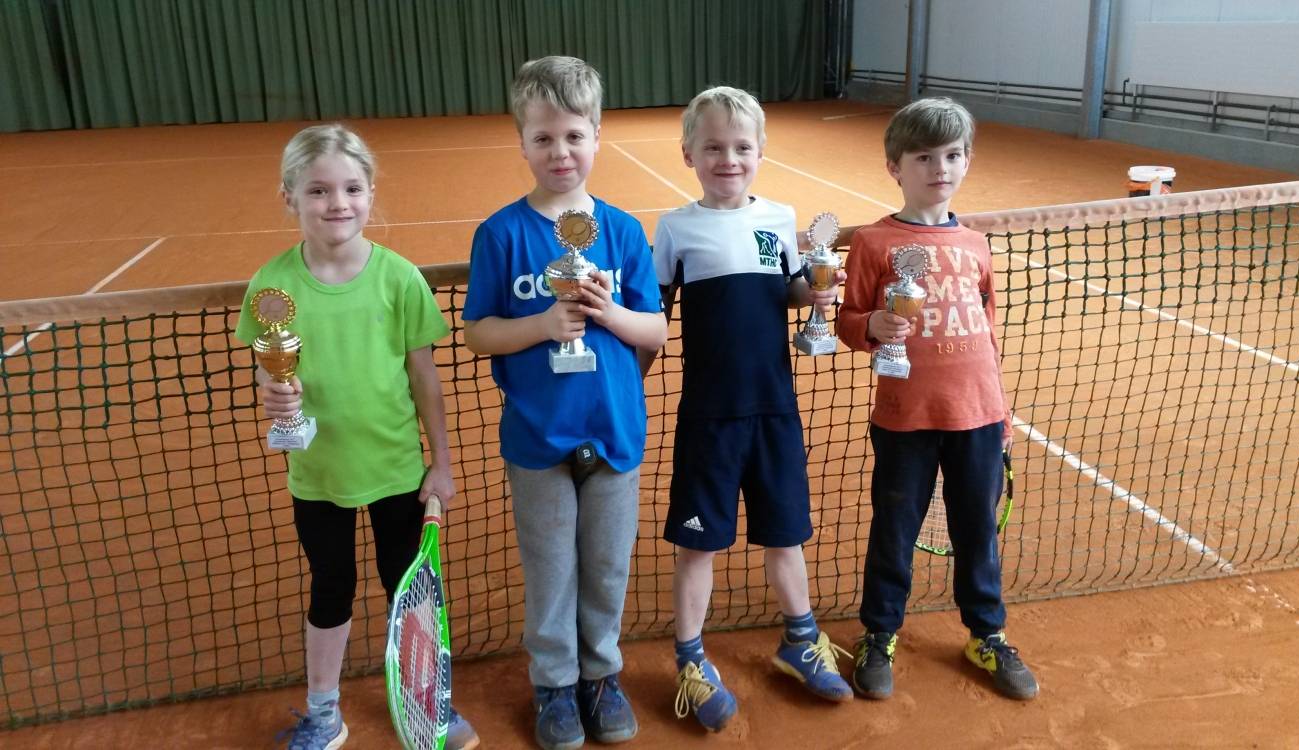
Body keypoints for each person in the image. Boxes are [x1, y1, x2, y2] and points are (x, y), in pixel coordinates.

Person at [235, 124, 480, 749]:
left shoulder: (399, 279)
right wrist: (276, 397)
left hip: (398, 470)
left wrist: (441, 463)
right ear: (289, 196)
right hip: (318, 475)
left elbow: (425, 379)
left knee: (410, 589)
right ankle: (323, 711)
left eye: (351, 188)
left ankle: (430, 700)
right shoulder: (272, 287)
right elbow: (273, 374)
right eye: (317, 190)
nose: (336, 203)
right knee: (330, 587)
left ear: (371, 193)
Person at [461, 56, 667, 750]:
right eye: (543, 138)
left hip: (614, 430)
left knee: (607, 567)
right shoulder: (501, 233)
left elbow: (655, 331)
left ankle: (600, 678)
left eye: (574, 136)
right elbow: (478, 333)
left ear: (597, 136)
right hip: (535, 437)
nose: (560, 151)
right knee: (550, 570)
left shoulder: (622, 231)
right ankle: (553, 684)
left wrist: (608, 313)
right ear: (521, 142)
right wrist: (543, 326)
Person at [643, 86, 852, 733]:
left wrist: (815, 290)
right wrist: (623, 386)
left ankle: (799, 637)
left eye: (740, 147)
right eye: (712, 147)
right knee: (695, 547)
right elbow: (656, 315)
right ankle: (689, 658)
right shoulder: (675, 228)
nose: (726, 158)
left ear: (759, 151)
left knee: (785, 531)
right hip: (709, 416)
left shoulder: (779, 219)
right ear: (688, 154)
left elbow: (787, 289)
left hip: (774, 411)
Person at [835, 97, 1039, 702]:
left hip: (978, 415)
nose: (939, 168)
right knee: (895, 528)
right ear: (896, 167)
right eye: (924, 156)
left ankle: (986, 632)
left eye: (952, 155)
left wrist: (1001, 415)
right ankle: (879, 633)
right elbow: (846, 323)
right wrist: (873, 324)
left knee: (977, 529)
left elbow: (989, 329)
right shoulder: (874, 242)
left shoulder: (976, 244)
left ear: (967, 161)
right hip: (905, 419)